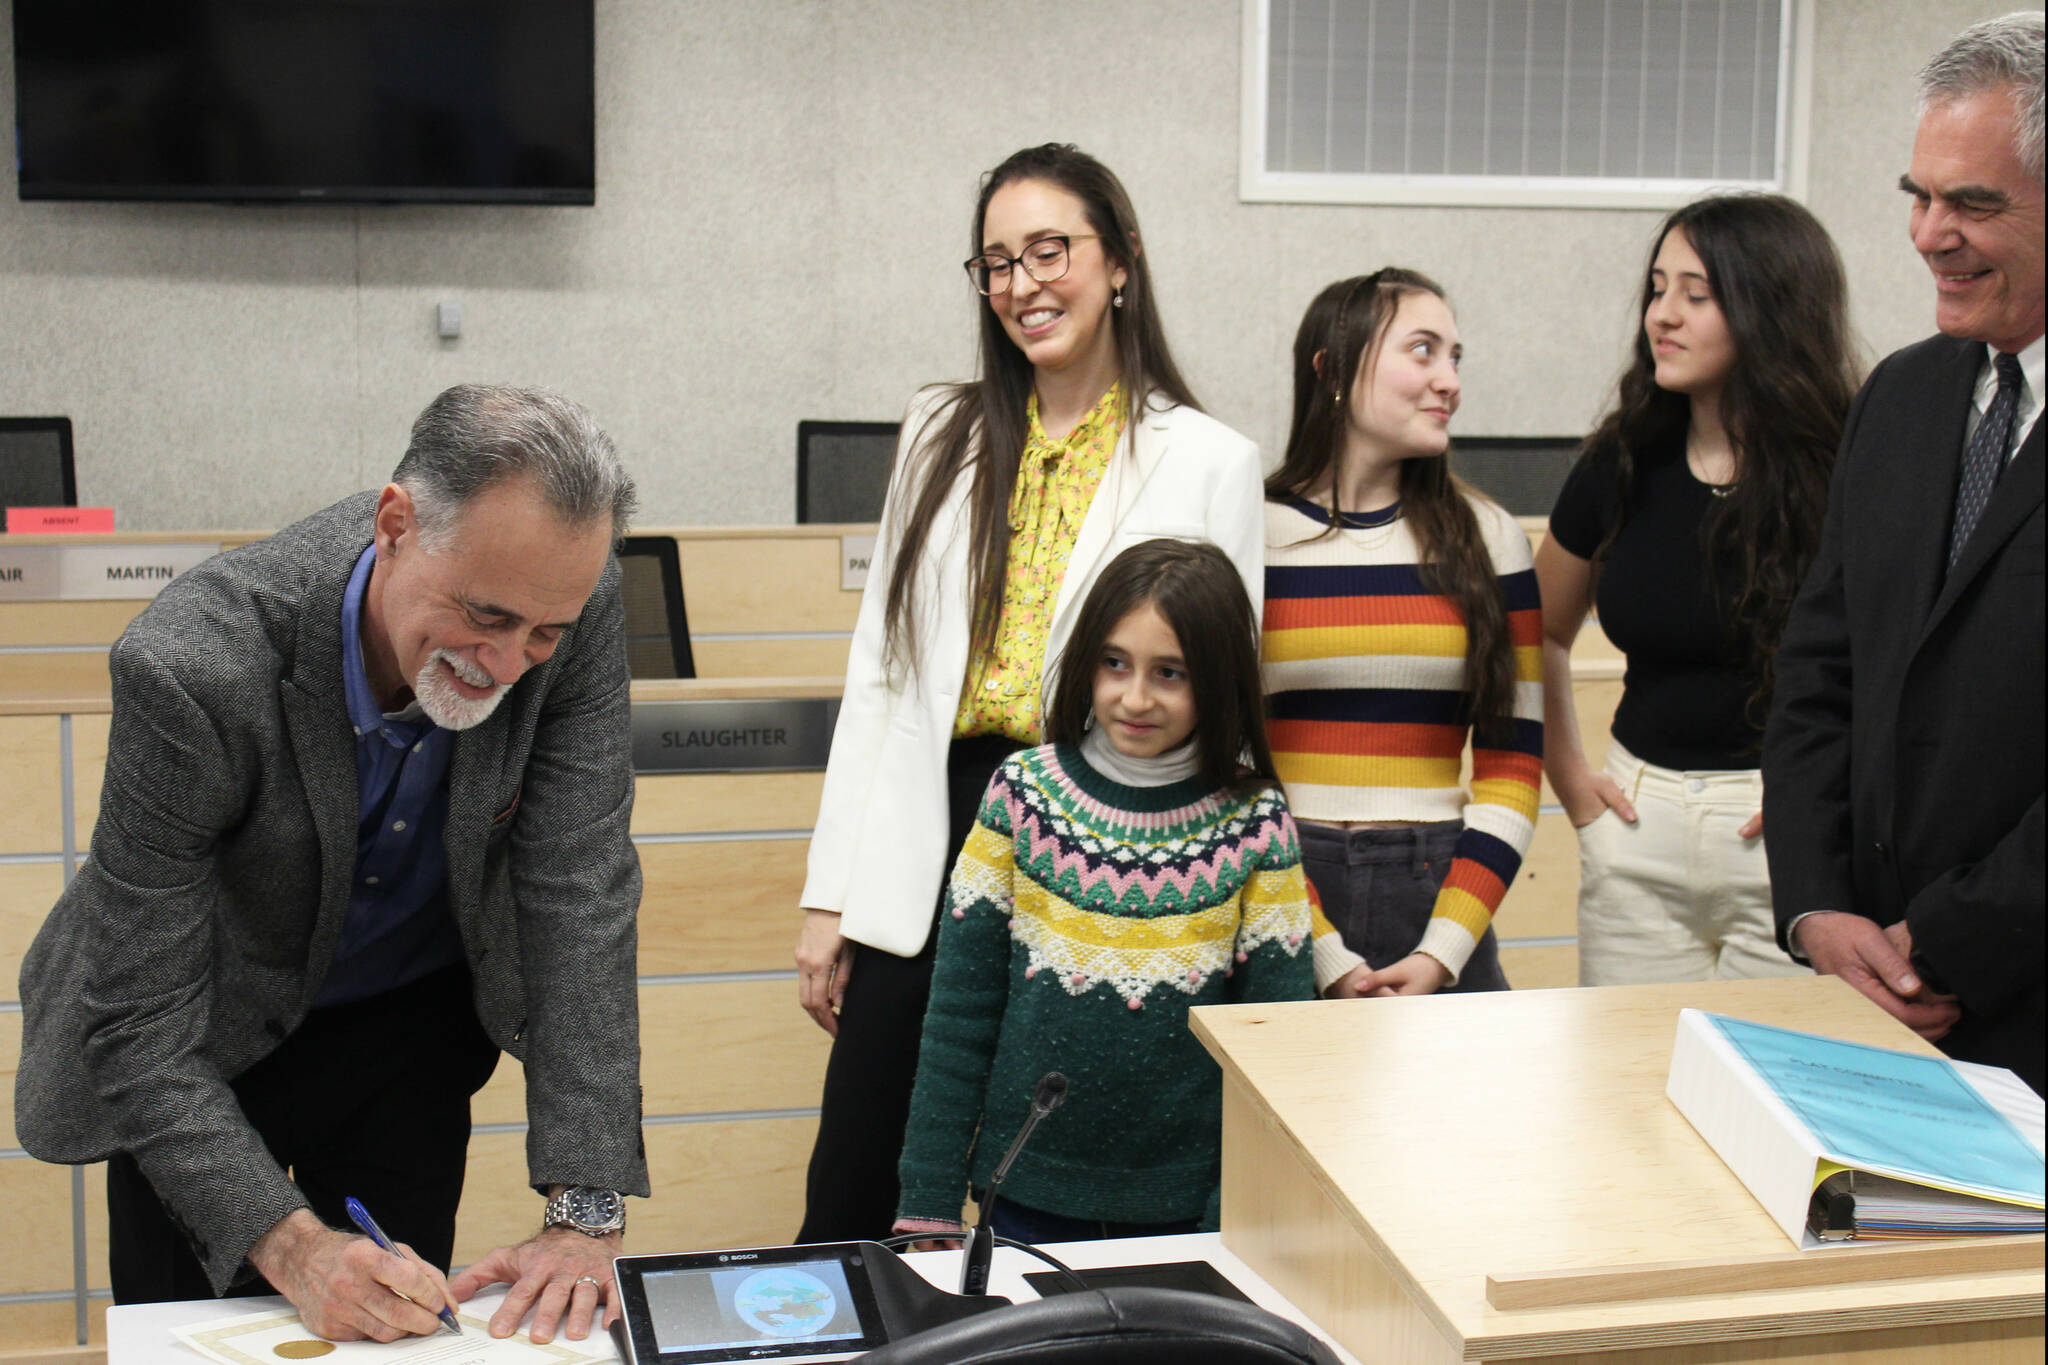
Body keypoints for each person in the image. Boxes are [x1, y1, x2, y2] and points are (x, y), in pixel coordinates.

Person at [14, 385, 648, 1341]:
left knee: (393, 1330)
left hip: (408, 1030)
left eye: (542, 633)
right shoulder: (193, 664)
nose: (510, 660)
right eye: (485, 614)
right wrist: (293, 1245)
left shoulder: (573, 600)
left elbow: (579, 890)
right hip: (202, 1036)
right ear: (396, 525)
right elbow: (139, 1015)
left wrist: (583, 1213)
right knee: (201, 1336)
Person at [790, 144, 1267, 1242]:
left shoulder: (1207, 460)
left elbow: (1217, 702)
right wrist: (832, 897)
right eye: (995, 262)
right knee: (861, 1168)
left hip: (1099, 830)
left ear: (1120, 263)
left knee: (1043, 1181)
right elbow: (883, 672)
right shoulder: (937, 431)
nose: (1021, 284)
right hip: (935, 822)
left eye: (1049, 250)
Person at [1765, 12, 2044, 1094]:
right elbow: (1818, 667)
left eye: (1971, 203)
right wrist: (1814, 907)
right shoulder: (1901, 395)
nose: (1929, 233)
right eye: (1916, 197)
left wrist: (1942, 946)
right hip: (1868, 1005)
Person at [892, 539, 1314, 1245]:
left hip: (1189, 1213)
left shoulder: (1256, 821)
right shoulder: (1021, 794)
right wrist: (929, 1193)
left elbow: (1277, 1045)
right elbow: (960, 1012)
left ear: (1216, 678)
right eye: (1114, 662)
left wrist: (1232, 1214)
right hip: (1023, 1194)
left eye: (1170, 673)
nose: (1135, 696)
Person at [1536, 195, 1857, 985]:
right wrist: (1570, 778)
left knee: (1770, 1096)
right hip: (1636, 829)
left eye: (1696, 294)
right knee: (1628, 1090)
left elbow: (1892, 662)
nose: (1662, 316)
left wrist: (1829, 802)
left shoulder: (1849, 464)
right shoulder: (1623, 458)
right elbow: (1535, 630)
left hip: (1786, 840)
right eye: (1656, 288)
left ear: (1769, 309)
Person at [1262, 270, 1543, 999]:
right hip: (1278, 892)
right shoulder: (1247, 533)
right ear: (1330, 367)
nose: (1448, 380)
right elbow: (1224, 766)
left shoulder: (1491, 539)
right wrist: (1323, 950)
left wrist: (1444, 949)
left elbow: (1513, 768)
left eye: (1456, 358)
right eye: (1423, 351)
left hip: (1442, 892)